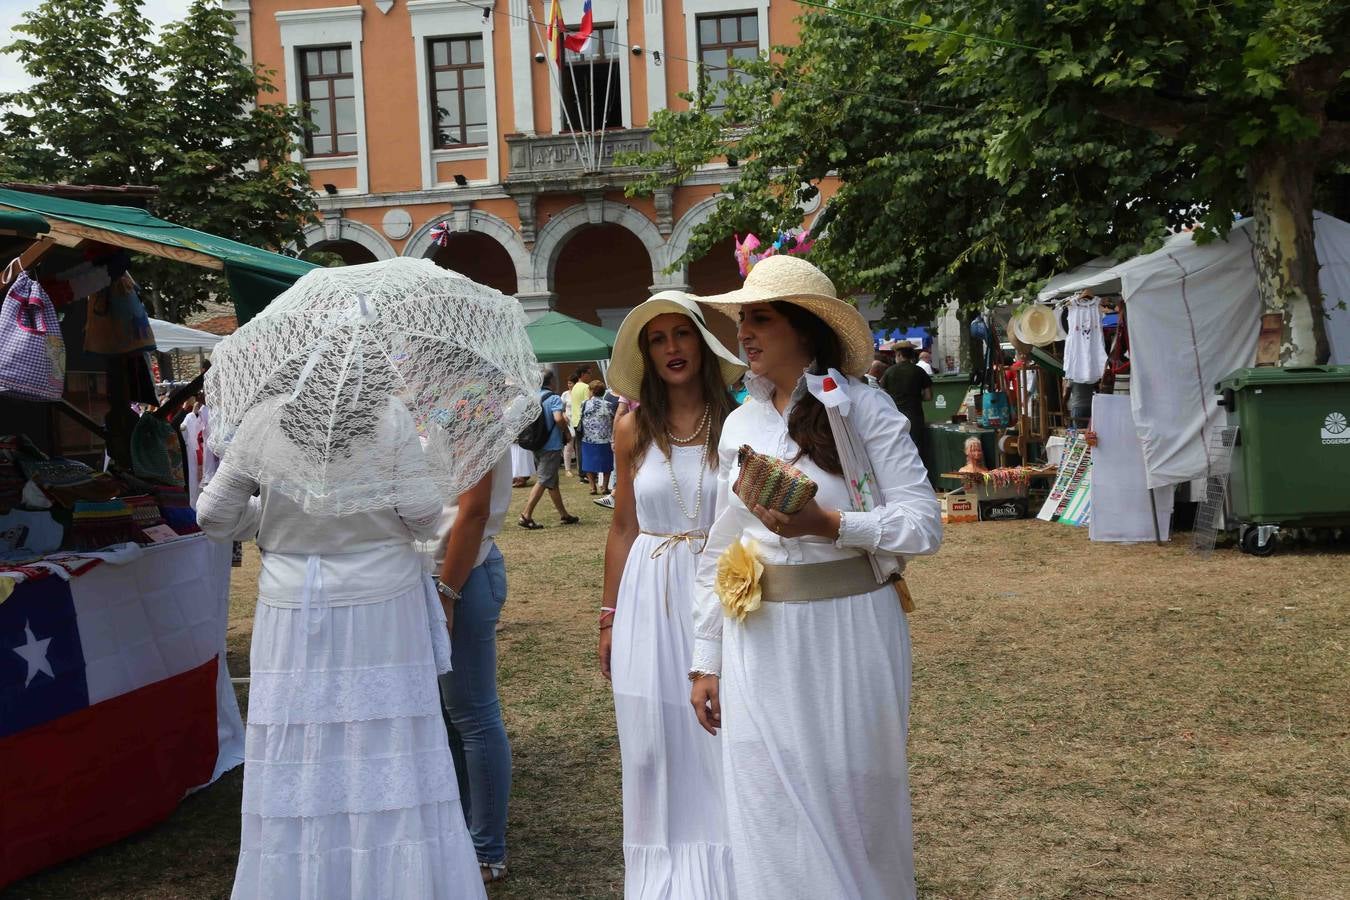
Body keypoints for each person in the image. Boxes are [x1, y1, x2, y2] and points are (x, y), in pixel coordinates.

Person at [691, 256, 942, 900]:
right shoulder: (742, 423)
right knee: (764, 797)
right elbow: (723, 542)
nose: (744, 332)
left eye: (762, 318)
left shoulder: (863, 408)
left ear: (804, 327)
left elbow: (923, 524)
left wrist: (830, 525)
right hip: (759, 640)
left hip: (851, 631)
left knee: (853, 798)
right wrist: (705, 658)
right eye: (741, 318)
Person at [196, 396, 487, 900]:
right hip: (380, 605)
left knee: (304, 746)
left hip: (294, 607)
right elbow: (422, 516)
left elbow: (215, 516)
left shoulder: (263, 419)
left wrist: (279, 518)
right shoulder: (387, 414)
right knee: (388, 742)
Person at [599, 292, 745, 900]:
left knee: (722, 734)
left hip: (723, 590)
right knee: (652, 741)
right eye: (657, 340)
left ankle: (734, 871)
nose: (671, 349)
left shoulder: (737, 422)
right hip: (648, 591)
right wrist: (607, 617)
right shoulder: (631, 426)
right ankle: (664, 879)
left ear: (702, 344)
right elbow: (622, 527)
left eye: (679, 335)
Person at [431, 452, 514, 884]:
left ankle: (486, 851)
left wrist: (447, 593)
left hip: (460, 573)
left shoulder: (474, 406)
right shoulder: (430, 404)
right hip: (434, 572)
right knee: (449, 717)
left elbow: (475, 508)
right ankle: (466, 836)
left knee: (472, 715)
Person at [519, 372, 580, 529]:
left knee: (552, 482)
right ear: (551, 382)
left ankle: (564, 515)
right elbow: (558, 418)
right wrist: (566, 432)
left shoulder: (531, 397)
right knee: (544, 479)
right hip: (551, 445)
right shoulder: (553, 398)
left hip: (536, 443)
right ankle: (526, 515)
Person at [881, 344, 934, 468]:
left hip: (893, 416)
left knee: (897, 448)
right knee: (916, 449)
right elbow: (928, 396)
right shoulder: (919, 371)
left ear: (899, 355)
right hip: (915, 415)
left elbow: (881, 394)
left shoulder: (889, 371)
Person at [581, 379, 616, 497]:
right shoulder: (609, 405)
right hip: (605, 438)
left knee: (588, 463)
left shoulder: (584, 404)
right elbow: (613, 420)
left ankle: (592, 486)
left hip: (588, 437)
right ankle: (605, 486)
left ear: (591, 391)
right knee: (607, 463)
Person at [570, 365, 594, 482]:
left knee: (579, 448)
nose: (590, 375)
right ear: (583, 374)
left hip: (575, 421)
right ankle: (587, 473)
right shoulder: (586, 387)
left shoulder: (574, 387)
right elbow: (588, 404)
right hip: (583, 421)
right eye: (589, 373)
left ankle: (582, 473)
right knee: (587, 448)